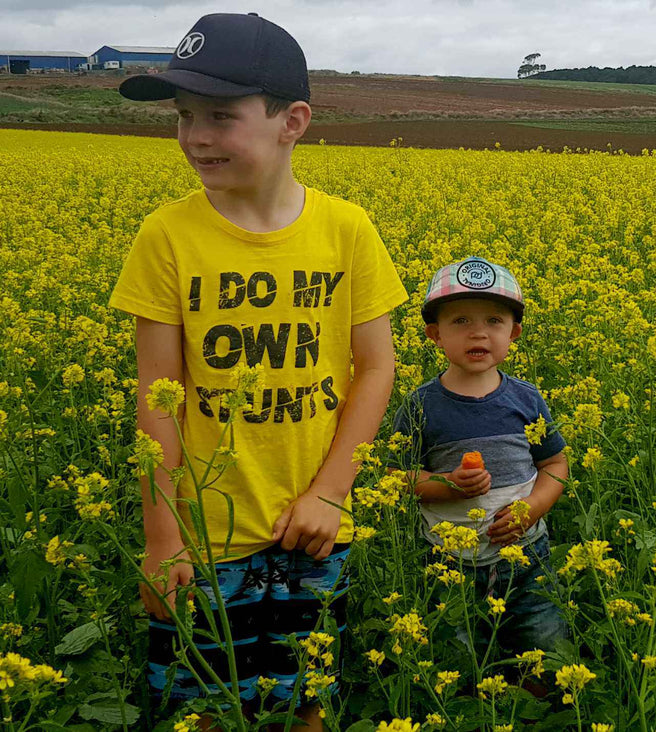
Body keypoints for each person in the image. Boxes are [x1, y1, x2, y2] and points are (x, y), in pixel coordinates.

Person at [109, 13, 408, 727]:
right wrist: (163, 537)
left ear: (291, 121)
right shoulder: (167, 235)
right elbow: (159, 398)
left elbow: (375, 370)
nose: (195, 137)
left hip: (311, 525)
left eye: (220, 116)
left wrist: (333, 495)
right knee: (200, 707)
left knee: (309, 698)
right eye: (183, 117)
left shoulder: (347, 230)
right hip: (204, 536)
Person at [392, 257, 569, 659]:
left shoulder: (526, 399)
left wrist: (533, 508)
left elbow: (555, 466)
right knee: (450, 655)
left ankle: (536, 709)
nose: (479, 332)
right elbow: (397, 477)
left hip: (528, 557)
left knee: (545, 645)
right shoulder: (420, 406)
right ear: (434, 334)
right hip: (446, 561)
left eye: (494, 321)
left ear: (514, 333)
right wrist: (446, 485)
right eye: (460, 322)